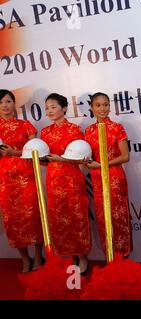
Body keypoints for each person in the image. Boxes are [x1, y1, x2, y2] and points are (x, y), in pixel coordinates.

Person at [41, 93, 91, 273]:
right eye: (47, 108)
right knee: (59, 219)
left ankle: (83, 256)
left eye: (53, 107)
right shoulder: (45, 132)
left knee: (77, 218)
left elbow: (81, 159)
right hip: (53, 180)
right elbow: (46, 160)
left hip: (72, 179)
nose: (50, 111)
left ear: (63, 108)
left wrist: (60, 159)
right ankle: (71, 256)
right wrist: (37, 158)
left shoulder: (74, 130)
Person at [0, 89, 44, 272]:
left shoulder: (25, 125)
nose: (5, 105)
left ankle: (38, 256)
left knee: (33, 216)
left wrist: (14, 152)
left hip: (26, 177)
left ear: (14, 103)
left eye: (8, 101)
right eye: (1, 102)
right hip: (5, 180)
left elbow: (35, 151)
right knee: (13, 220)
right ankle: (25, 258)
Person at [85, 92, 132, 258]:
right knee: (103, 220)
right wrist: (86, 161)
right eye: (98, 105)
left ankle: (123, 258)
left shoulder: (117, 128)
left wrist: (102, 164)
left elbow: (125, 156)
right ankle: (110, 258)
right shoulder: (89, 131)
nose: (102, 108)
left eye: (105, 104)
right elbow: (87, 157)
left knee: (119, 219)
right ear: (92, 107)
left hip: (115, 179)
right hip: (97, 180)